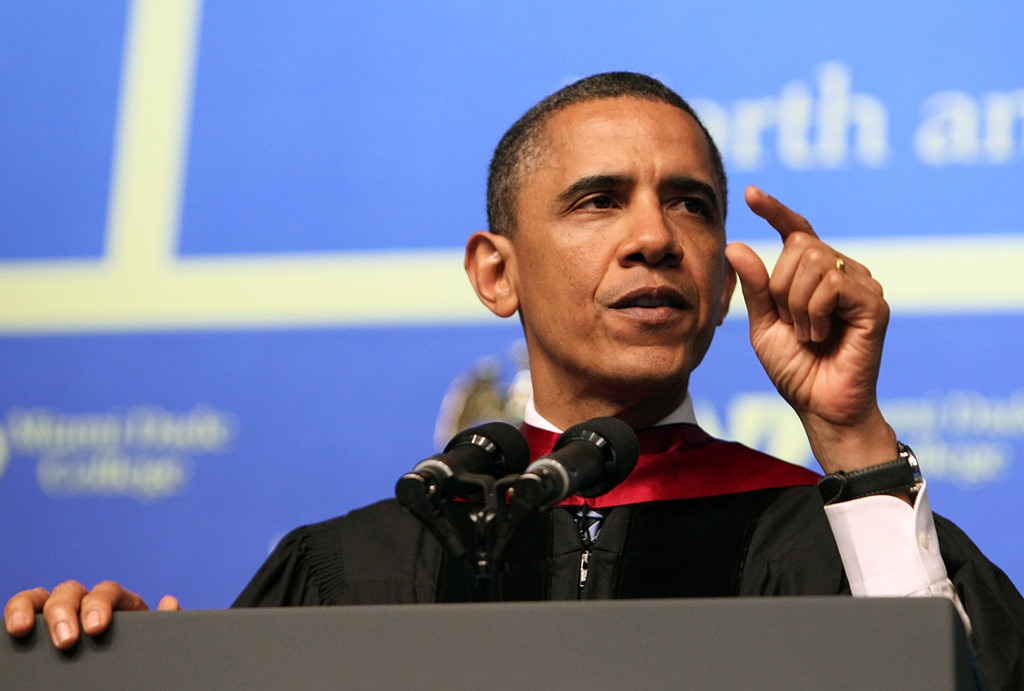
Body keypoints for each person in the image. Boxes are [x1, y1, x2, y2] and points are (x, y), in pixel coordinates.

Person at [6, 72, 1023, 687]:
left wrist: (849, 436)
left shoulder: (828, 533)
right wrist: (123, 665)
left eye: (691, 206)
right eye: (597, 201)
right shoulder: (350, 562)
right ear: (495, 271)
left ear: (721, 283)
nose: (653, 239)